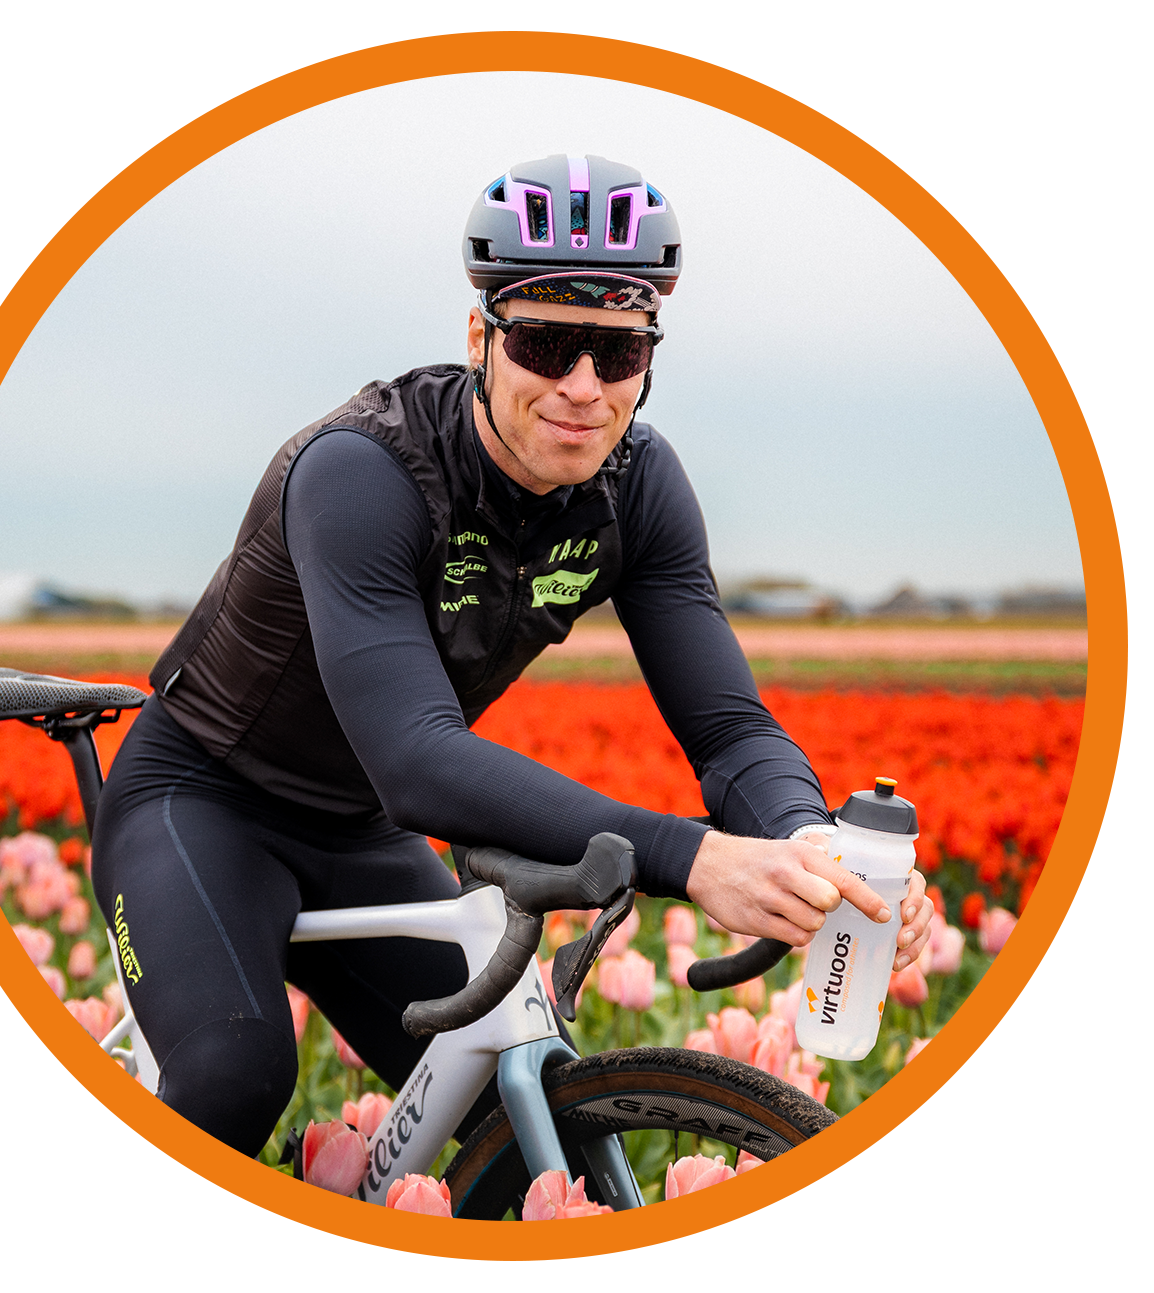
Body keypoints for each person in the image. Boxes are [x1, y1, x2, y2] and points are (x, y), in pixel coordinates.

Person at [91, 153, 934, 1159]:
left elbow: (726, 728)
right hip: (201, 801)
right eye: (544, 343)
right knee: (234, 1074)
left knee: (535, 1124)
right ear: (478, 339)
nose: (582, 387)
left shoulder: (638, 487)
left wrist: (813, 848)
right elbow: (414, 759)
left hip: (358, 835)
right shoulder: (361, 471)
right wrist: (693, 857)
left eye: (617, 353)